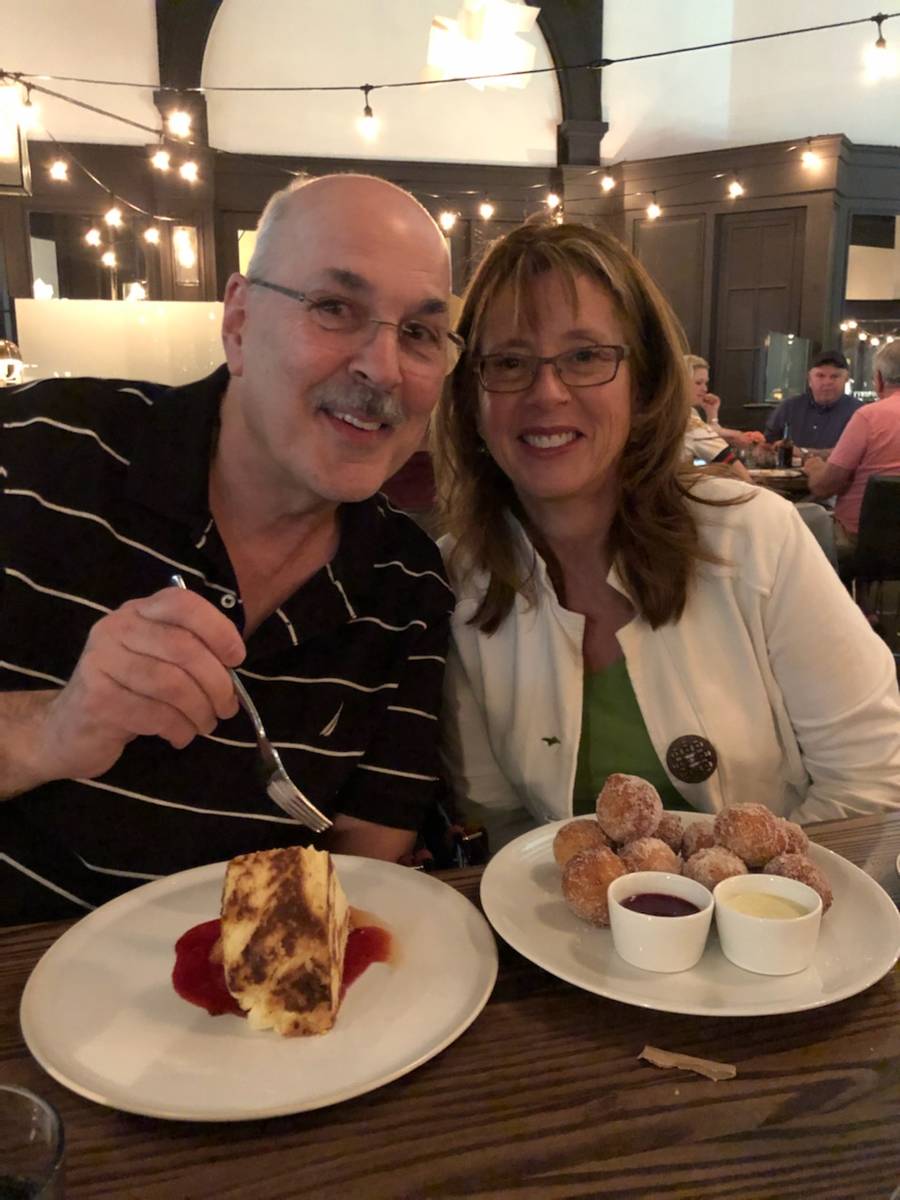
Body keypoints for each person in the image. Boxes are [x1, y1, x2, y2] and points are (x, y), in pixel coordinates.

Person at [0, 174, 459, 922]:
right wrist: (53, 729)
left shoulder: (407, 584)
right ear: (239, 321)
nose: (383, 368)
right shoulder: (36, 452)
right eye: (335, 308)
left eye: (420, 332)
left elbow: (369, 859)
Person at [433, 220, 900, 849]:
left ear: (645, 381)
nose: (547, 392)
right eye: (510, 362)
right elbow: (502, 826)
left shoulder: (755, 535)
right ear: (472, 395)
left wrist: (736, 912)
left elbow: (871, 784)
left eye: (586, 356)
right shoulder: (456, 578)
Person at [803, 339, 900, 565]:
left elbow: (823, 487)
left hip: (863, 540)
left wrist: (815, 467)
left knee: (804, 520)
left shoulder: (869, 416)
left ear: (878, 378)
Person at [763, 350, 859, 451]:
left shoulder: (859, 413)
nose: (827, 382)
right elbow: (767, 444)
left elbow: (855, 453)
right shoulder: (788, 407)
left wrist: (804, 453)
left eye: (834, 376)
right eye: (820, 376)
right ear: (809, 379)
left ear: (846, 379)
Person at [684, 353, 760, 452]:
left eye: (705, 383)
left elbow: (712, 444)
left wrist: (712, 414)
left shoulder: (691, 411)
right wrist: (735, 434)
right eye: (698, 383)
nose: (705, 389)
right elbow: (705, 435)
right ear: (681, 382)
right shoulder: (671, 411)